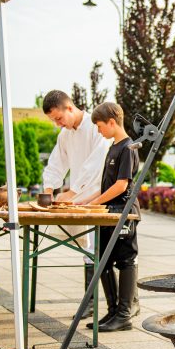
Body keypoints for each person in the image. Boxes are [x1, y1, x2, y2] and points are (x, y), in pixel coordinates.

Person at [41, 90, 117, 319]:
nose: (57, 124)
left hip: (99, 196)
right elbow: (56, 163)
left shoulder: (96, 126)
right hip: (78, 198)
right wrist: (48, 191)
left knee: (101, 252)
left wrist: (73, 191)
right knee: (87, 250)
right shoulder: (64, 135)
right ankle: (90, 302)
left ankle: (108, 306)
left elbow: (96, 164)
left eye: (58, 118)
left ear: (70, 108)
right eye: (53, 120)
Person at [78, 102, 140, 332]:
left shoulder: (129, 148)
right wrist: (86, 200)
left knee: (125, 261)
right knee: (102, 262)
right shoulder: (112, 148)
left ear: (112, 122)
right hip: (108, 213)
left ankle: (124, 314)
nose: (98, 130)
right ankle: (113, 311)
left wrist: (95, 202)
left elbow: (122, 186)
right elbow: (107, 185)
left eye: (100, 125)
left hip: (123, 214)